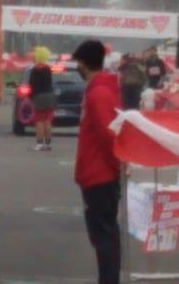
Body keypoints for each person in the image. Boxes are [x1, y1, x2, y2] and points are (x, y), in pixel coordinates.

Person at [73, 40, 122, 284]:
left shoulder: (99, 93)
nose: (77, 68)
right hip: (95, 173)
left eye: (78, 63)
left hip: (100, 175)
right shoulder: (97, 90)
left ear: (84, 62)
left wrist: (115, 167)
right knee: (101, 235)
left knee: (104, 235)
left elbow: (107, 135)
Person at [29, 46, 55, 152]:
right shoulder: (48, 69)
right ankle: (48, 143)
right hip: (49, 95)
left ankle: (39, 143)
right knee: (47, 120)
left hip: (39, 96)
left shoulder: (35, 70)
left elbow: (32, 85)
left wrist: (31, 97)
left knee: (39, 120)